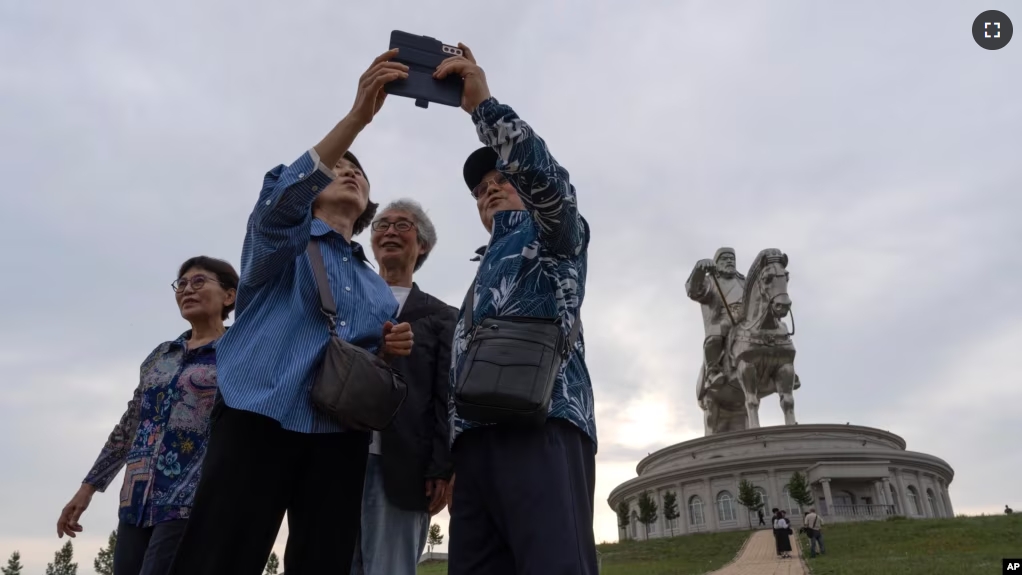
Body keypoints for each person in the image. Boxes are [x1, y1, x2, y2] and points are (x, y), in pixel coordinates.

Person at [168, 50, 415, 575]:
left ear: (367, 200)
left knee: (324, 562)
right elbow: (279, 205)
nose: (349, 172)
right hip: (259, 415)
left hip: (339, 435)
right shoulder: (283, 242)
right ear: (314, 190)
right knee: (220, 558)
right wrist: (355, 121)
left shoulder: (373, 284)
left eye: (359, 173)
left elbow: (363, 360)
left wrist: (389, 350)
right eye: (339, 168)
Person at [435, 44, 597, 574]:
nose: (489, 190)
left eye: (500, 180)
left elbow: (550, 186)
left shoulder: (555, 238)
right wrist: (455, 455)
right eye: (480, 190)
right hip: (476, 448)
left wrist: (484, 108)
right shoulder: (482, 274)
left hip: (542, 423)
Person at [56, 256, 239, 575]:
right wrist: (87, 490)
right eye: (181, 284)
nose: (187, 290)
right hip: (135, 502)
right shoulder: (160, 355)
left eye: (198, 282)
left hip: (192, 499)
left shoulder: (239, 351)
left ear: (229, 295)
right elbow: (130, 425)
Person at [351, 199, 457, 575]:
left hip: (402, 467)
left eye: (403, 225)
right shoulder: (345, 300)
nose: (390, 231)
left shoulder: (442, 317)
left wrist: (442, 467)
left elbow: (447, 396)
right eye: (382, 225)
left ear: (422, 245)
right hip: (337, 458)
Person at [686, 248, 746, 393]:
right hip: (725, 319)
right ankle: (712, 371)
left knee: (776, 330)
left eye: (732, 258)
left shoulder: (744, 281)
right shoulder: (711, 281)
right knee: (716, 334)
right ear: (717, 263)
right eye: (725, 258)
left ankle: (782, 369)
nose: (730, 261)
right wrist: (699, 270)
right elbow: (693, 291)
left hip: (748, 319)